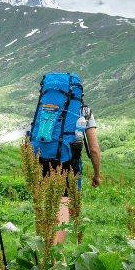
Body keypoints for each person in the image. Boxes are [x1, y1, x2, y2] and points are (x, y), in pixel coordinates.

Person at [41, 104, 101, 245]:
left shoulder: (46, 104)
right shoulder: (84, 111)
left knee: (48, 207)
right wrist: (97, 175)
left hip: (43, 159)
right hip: (68, 162)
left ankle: (45, 252)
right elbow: (94, 149)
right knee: (63, 208)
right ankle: (53, 254)